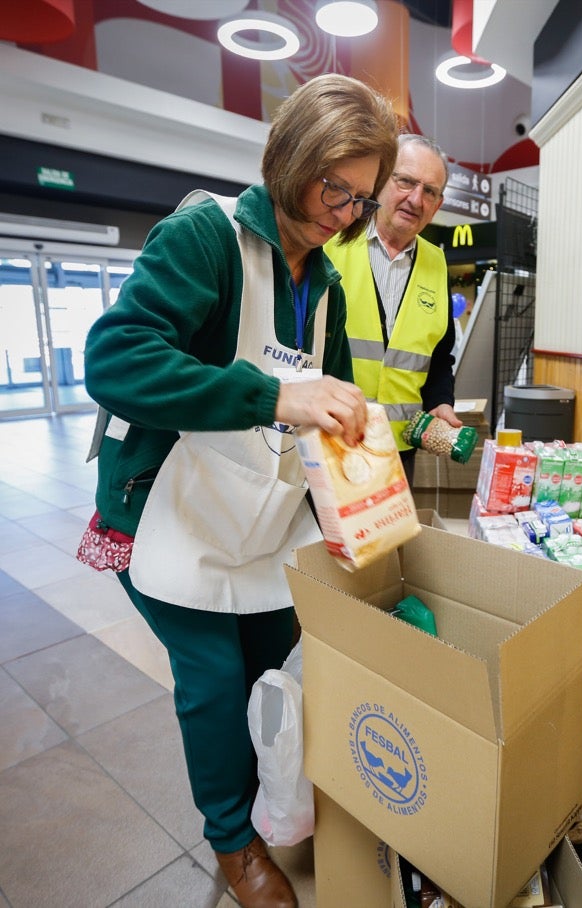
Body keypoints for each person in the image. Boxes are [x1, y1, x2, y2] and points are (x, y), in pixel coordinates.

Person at [77, 74, 399, 908]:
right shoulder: (205, 237)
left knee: (270, 663)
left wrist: (361, 503)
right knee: (214, 677)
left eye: (363, 199)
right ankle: (232, 840)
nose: (347, 213)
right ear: (291, 155)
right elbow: (114, 361)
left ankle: (264, 799)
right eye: (337, 187)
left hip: (261, 505)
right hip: (169, 510)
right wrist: (271, 395)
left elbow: (335, 405)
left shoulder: (321, 282)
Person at [325, 132, 461, 487]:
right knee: (325, 541)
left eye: (429, 191)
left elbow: (440, 355)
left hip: (399, 452)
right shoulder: (332, 241)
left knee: (387, 539)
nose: (415, 199)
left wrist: (441, 401)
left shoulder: (437, 263)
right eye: (406, 181)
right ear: (382, 180)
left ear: (438, 203)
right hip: (330, 440)